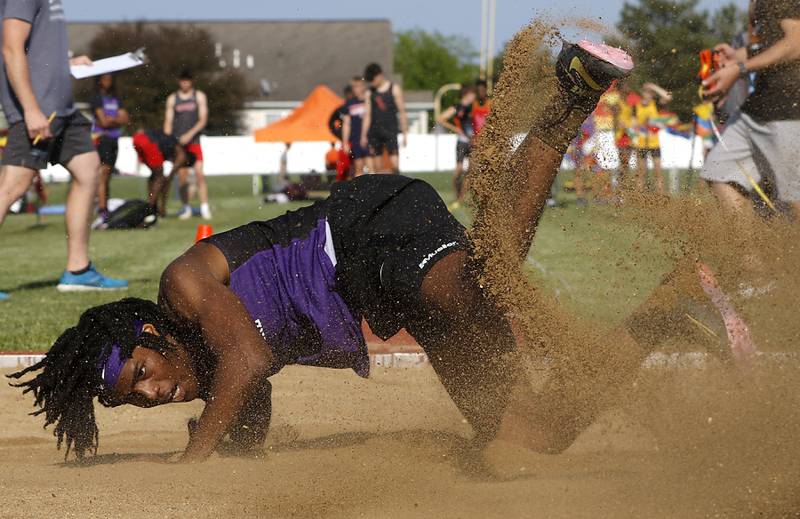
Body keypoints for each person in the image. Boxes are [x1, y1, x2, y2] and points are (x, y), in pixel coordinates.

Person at [12, 40, 661, 465]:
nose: (154, 392)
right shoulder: (213, 370)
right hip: (379, 290)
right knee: (529, 439)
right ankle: (672, 308)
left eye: (143, 372)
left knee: (479, 284)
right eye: (139, 399)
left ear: (150, 331)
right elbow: (246, 393)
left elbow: (249, 357)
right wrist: (234, 440)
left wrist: (193, 458)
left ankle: (572, 92)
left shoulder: (184, 285)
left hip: (360, 228)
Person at [0, 0, 128, 298]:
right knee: (12, 187)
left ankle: (78, 270)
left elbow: (36, 52)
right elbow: (10, 48)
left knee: (88, 169)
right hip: (38, 110)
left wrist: (66, 66)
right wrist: (31, 111)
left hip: (63, 111)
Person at [701, 0, 800, 217]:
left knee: (794, 200)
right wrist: (737, 56)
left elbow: (795, 43)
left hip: (790, 108)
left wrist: (740, 68)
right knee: (720, 171)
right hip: (759, 108)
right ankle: (750, 251)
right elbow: (775, 43)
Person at [164, 69, 210, 220]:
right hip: (179, 144)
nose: (185, 83)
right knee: (182, 177)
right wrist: (168, 139)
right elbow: (168, 122)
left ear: (191, 81)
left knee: (199, 174)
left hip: (194, 142)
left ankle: (204, 207)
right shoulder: (173, 99)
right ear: (179, 81)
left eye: (188, 80)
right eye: (183, 80)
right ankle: (186, 208)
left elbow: (202, 119)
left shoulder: (199, 96)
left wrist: (190, 134)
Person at [91, 73, 129, 223]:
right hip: (102, 139)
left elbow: (126, 118)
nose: (108, 82)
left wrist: (112, 120)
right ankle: (102, 209)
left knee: (108, 176)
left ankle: (104, 205)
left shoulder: (116, 99)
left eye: (110, 79)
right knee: (103, 174)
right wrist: (116, 120)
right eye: (105, 79)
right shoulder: (97, 98)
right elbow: (103, 122)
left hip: (114, 139)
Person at [131, 128, 192, 217]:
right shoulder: (182, 156)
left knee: (155, 176)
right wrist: (163, 206)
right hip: (149, 142)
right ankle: (149, 208)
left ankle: (153, 207)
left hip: (138, 139)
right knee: (160, 177)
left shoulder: (173, 146)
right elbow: (167, 181)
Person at [360, 63, 407, 175]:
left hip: (390, 130)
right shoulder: (369, 93)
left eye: (373, 80)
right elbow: (367, 115)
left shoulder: (394, 89)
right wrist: (363, 135)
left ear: (380, 75)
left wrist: (405, 133)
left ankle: (397, 187)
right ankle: (381, 190)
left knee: (395, 165)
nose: (372, 83)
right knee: (377, 168)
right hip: (374, 132)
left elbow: (402, 112)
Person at [436, 85, 477, 209]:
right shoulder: (457, 107)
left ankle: (461, 198)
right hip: (462, 142)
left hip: (473, 143)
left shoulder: (474, 107)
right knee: (458, 171)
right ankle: (457, 193)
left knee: (471, 171)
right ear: (467, 94)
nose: (474, 97)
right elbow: (440, 118)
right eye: (472, 94)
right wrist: (455, 129)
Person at [632, 83, 672, 194]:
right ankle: (638, 197)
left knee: (658, 173)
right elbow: (633, 126)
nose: (648, 94)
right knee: (641, 173)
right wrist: (641, 126)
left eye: (650, 92)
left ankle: (660, 197)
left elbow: (668, 97)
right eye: (646, 91)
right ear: (642, 93)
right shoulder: (636, 107)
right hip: (641, 144)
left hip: (654, 144)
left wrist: (654, 86)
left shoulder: (656, 105)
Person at [341, 77, 368, 178]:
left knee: (373, 168)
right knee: (358, 169)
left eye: (358, 86)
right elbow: (346, 124)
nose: (355, 89)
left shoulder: (370, 100)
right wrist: (345, 142)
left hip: (371, 138)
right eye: (354, 87)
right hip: (356, 139)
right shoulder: (350, 103)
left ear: (363, 86)